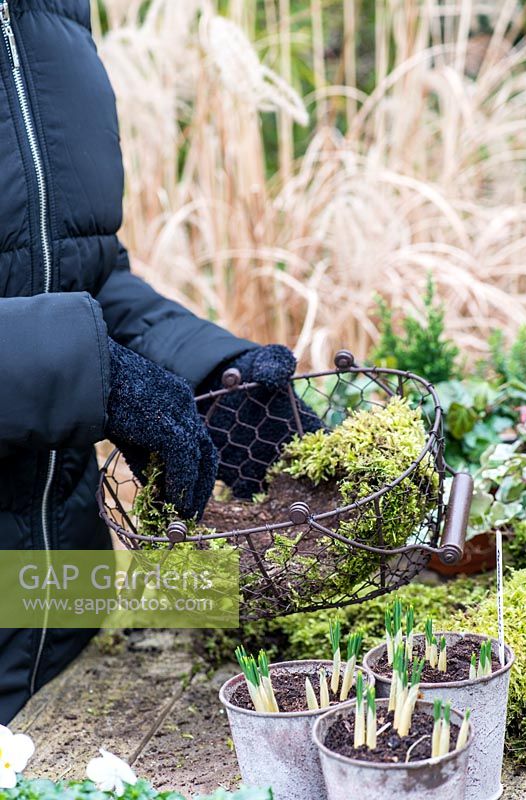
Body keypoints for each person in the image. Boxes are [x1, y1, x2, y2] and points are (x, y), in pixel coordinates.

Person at [0, 0, 319, 724]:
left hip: (57, 625)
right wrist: (85, 372)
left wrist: (210, 376)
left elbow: (85, 275)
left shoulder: (54, 21)